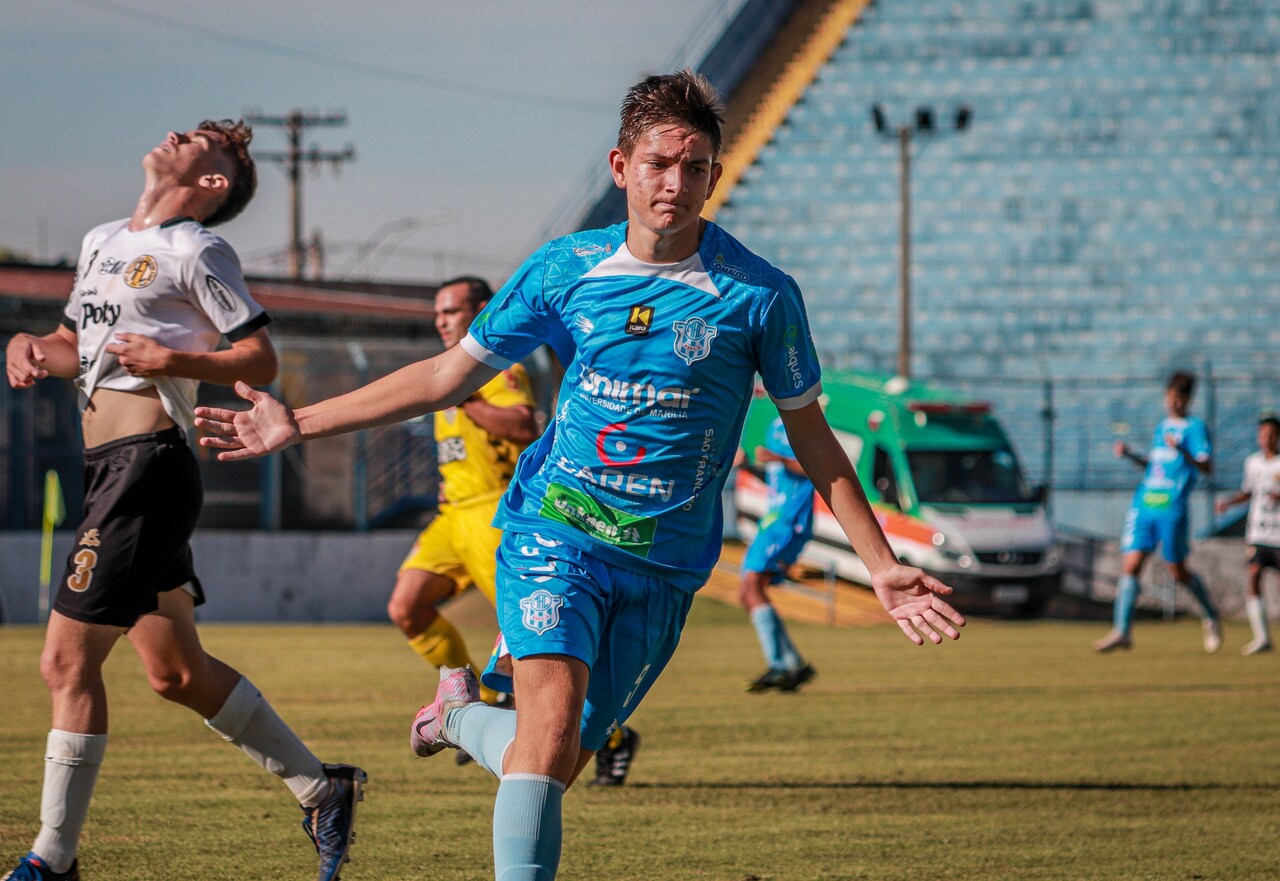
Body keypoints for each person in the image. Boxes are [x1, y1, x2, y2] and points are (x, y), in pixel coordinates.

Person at [195, 71, 964, 880]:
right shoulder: (565, 269)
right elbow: (444, 378)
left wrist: (880, 565)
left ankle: (456, 714)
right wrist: (300, 420)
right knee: (549, 733)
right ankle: (471, 719)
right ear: (620, 164)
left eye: (695, 167)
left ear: (716, 174)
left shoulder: (760, 296)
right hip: (555, 532)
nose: (676, 183)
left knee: (551, 762)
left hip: (665, 564)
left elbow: (813, 437)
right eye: (659, 163)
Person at [3, 121, 364, 881]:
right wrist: (35, 348)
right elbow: (77, 342)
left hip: (149, 467)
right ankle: (321, 787)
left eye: (199, 138)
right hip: (112, 468)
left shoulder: (196, 249)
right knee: (174, 671)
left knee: (64, 661)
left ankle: (52, 860)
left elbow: (259, 353)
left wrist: (175, 357)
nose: (173, 133)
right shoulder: (103, 238)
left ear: (213, 184)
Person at [387, 275, 640, 784]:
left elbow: (525, 424)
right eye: (437, 312)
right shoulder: (452, 369)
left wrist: (468, 402)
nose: (441, 320)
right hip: (452, 514)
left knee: (533, 647)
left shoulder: (495, 369)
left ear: (481, 309)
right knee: (406, 606)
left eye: (451, 311)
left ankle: (612, 736)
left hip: (490, 515)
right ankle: (467, 699)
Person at [1095, 371, 1223, 653]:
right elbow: (1155, 466)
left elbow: (1208, 467)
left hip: (1172, 507)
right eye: (1170, 396)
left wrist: (1184, 453)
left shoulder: (1195, 428)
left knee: (1177, 571)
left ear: (1188, 399)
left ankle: (1211, 617)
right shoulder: (1162, 427)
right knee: (1130, 566)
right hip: (1145, 505)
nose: (1173, 402)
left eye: (1179, 397)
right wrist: (1130, 454)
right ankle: (1122, 631)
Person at [739, 416, 817, 693]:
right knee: (749, 591)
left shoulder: (804, 420)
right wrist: (747, 465)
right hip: (772, 520)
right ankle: (793, 664)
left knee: (751, 587)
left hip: (788, 521)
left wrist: (778, 458)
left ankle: (780, 666)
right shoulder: (773, 424)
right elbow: (778, 478)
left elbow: (815, 468)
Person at [1213, 415, 1280, 655]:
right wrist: (1229, 503)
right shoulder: (1252, 463)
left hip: (1278, 534)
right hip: (1258, 532)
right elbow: (1248, 491)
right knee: (1253, 576)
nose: (1267, 439)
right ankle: (1262, 637)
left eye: (1271, 435)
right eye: (1263, 435)